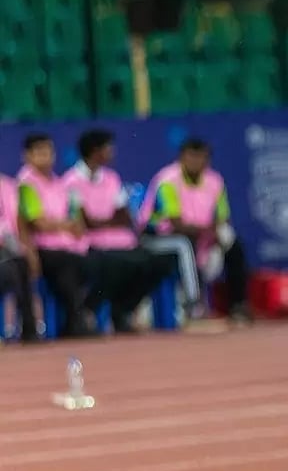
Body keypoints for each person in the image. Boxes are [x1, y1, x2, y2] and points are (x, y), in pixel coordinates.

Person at [63, 129, 173, 333]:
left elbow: (124, 216)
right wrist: (107, 221)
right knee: (113, 265)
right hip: (91, 245)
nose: (112, 151)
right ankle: (90, 308)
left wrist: (103, 221)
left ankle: (123, 309)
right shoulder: (71, 181)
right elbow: (85, 221)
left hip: (121, 242)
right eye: (108, 147)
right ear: (95, 151)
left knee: (157, 264)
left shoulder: (111, 177)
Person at [139, 138, 252, 324]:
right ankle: (195, 305)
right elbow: (176, 223)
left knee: (233, 243)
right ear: (182, 158)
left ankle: (238, 304)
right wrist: (208, 232)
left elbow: (222, 215)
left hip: (203, 236)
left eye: (202, 158)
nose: (197, 162)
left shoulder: (215, 181)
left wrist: (216, 233)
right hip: (163, 236)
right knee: (186, 242)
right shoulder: (167, 180)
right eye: (192, 157)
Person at [16, 134, 93, 338]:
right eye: (40, 152)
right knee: (67, 267)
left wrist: (71, 226)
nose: (46, 157)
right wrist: (65, 226)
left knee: (93, 264)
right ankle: (74, 323)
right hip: (42, 248)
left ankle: (78, 319)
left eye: (49, 151)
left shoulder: (61, 184)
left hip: (68, 246)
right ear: (27, 156)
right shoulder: (25, 184)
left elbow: (75, 218)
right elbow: (37, 222)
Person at [0, 171, 39, 343]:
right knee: (10, 271)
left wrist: (30, 252)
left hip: (8, 250)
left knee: (21, 265)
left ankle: (29, 330)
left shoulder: (8, 186)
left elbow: (19, 224)